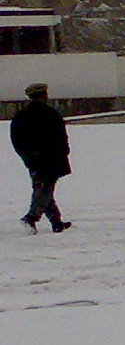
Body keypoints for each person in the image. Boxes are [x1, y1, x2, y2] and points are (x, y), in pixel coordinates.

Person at [11, 81, 71, 232]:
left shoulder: (21, 115)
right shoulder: (50, 114)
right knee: (44, 189)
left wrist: (27, 156)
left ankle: (56, 222)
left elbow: (16, 139)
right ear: (44, 96)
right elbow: (60, 137)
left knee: (44, 189)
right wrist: (63, 153)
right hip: (50, 159)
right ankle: (31, 217)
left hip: (33, 159)